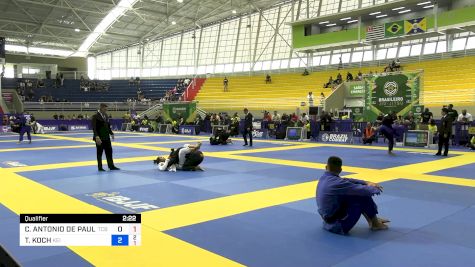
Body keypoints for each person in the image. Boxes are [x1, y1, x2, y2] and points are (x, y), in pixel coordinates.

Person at [316, 156, 389, 235]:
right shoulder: (338, 183)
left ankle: (373, 220)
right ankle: (375, 224)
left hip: (327, 222)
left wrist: (366, 182)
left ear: (326, 167)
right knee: (361, 196)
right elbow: (366, 191)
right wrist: (376, 188)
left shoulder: (324, 178)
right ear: (340, 170)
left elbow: (347, 180)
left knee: (353, 194)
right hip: (337, 226)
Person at [92, 103, 120, 171]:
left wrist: (111, 133)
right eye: (105, 108)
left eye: (106, 108)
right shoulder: (95, 116)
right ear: (101, 108)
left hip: (107, 137)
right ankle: (100, 167)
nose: (106, 110)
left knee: (109, 152)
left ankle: (111, 166)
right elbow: (94, 128)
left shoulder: (106, 116)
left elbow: (108, 126)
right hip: (99, 138)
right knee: (99, 153)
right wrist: (97, 137)